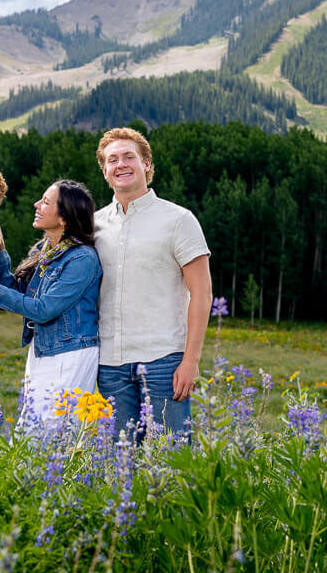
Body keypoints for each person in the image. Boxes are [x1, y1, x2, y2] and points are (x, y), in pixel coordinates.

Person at [93, 128, 211, 440]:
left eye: (129, 157)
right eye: (112, 159)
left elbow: (202, 293)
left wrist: (191, 361)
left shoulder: (179, 220)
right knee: (118, 467)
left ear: (146, 163)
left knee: (171, 464)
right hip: (110, 365)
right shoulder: (94, 225)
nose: (121, 164)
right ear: (104, 170)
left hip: (165, 362)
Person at [0, 180, 102, 424]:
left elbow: (44, 309)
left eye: (46, 202)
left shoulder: (82, 259)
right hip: (43, 348)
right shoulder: (45, 248)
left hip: (70, 353)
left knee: (56, 430)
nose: (37, 204)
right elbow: (18, 291)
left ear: (64, 218)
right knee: (32, 427)